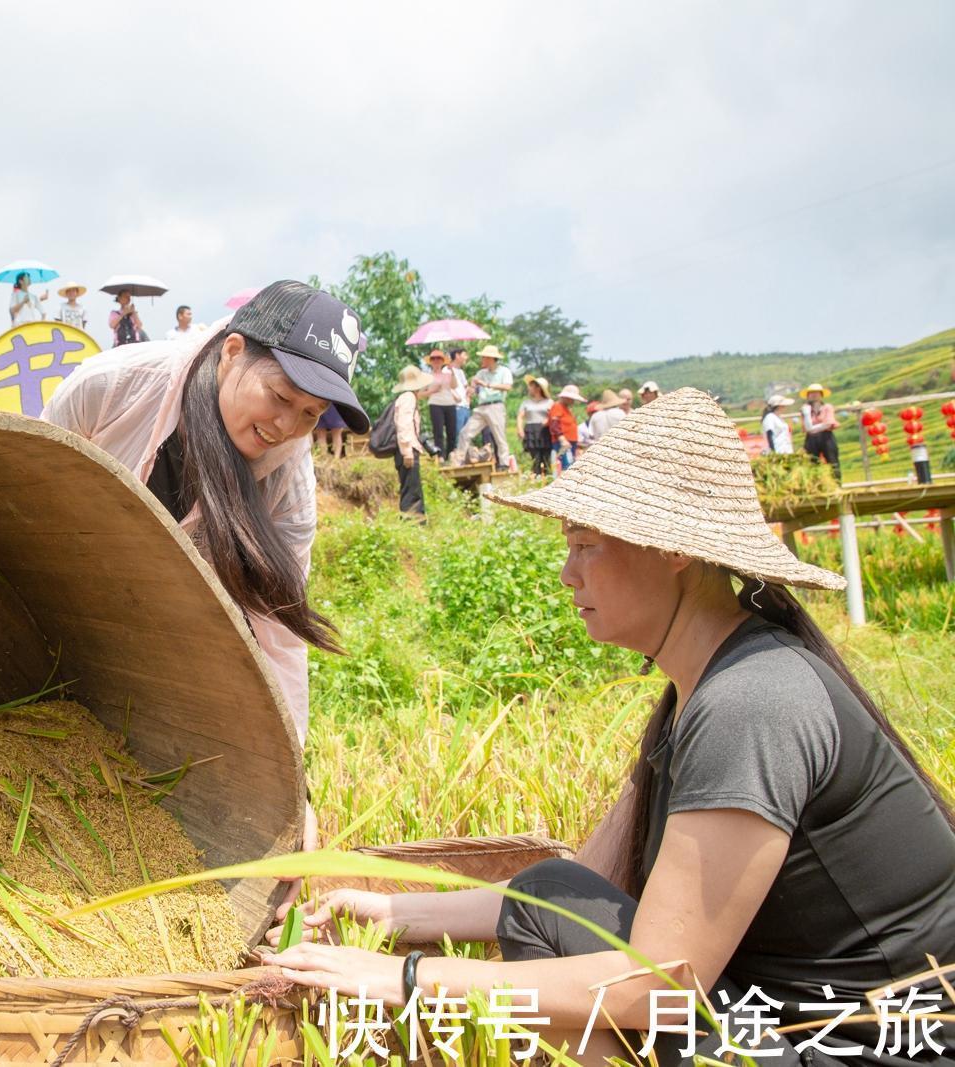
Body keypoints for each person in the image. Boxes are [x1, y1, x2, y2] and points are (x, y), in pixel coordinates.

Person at [264, 389, 955, 1067]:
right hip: (779, 1024)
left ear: (674, 549)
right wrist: (395, 915)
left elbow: (657, 985)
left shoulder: (751, 703)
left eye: (586, 544)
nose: (569, 574)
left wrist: (404, 980)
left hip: (870, 1049)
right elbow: (570, 888)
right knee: (552, 892)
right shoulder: (701, 690)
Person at [43, 279, 369, 744]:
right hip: (55, 595)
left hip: (156, 639)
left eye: (311, 414)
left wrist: (288, 762)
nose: (286, 427)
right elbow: (24, 487)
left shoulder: (288, 483)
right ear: (233, 351)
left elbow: (277, 627)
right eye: (279, 397)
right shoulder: (113, 386)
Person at [449, 344, 513, 468]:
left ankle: (504, 463)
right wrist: (471, 388)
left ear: (491, 358)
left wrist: (488, 385)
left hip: (496, 405)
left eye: (484, 358)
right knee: (465, 433)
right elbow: (474, 384)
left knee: (499, 436)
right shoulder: (481, 372)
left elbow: (507, 386)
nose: (482, 360)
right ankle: (459, 461)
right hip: (481, 407)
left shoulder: (504, 371)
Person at [391, 364, 427, 522]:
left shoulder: (405, 398)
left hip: (407, 449)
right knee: (411, 490)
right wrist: (407, 452)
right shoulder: (408, 398)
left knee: (412, 488)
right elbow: (404, 425)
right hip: (407, 449)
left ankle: (416, 522)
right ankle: (412, 524)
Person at [424, 348, 461, 460]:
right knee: (438, 432)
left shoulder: (448, 374)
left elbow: (455, 386)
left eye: (439, 358)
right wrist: (432, 391)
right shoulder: (426, 376)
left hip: (449, 403)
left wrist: (452, 371)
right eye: (433, 359)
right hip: (435, 403)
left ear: (442, 361)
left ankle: (451, 454)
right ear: (430, 361)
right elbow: (420, 394)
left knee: (452, 432)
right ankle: (440, 456)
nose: (436, 361)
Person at [800, 383, 841, 479]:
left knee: (832, 460)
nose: (814, 395)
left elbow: (829, 423)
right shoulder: (805, 409)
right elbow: (806, 427)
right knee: (812, 462)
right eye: (811, 393)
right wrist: (818, 427)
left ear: (821, 395)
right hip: (811, 439)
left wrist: (813, 428)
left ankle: (837, 483)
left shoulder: (827, 407)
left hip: (826, 437)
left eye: (816, 393)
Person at [518, 375, 554, 476]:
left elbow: (554, 416)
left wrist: (547, 420)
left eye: (531, 386)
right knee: (535, 457)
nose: (529, 388)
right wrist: (520, 429)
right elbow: (520, 416)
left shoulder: (549, 402)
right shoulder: (526, 402)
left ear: (538, 388)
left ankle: (547, 478)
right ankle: (536, 476)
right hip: (531, 429)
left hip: (544, 430)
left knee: (546, 457)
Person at [549, 384, 583, 470]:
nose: (573, 401)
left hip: (570, 442)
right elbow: (554, 424)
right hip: (563, 442)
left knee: (570, 464)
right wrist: (562, 439)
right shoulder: (557, 406)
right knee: (565, 466)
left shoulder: (566, 409)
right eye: (571, 398)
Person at [450, 347, 471, 437]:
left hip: (465, 407)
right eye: (465, 355)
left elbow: (466, 387)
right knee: (457, 435)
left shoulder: (461, 372)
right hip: (456, 407)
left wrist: (468, 399)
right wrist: (456, 397)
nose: (467, 357)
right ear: (457, 356)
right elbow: (445, 388)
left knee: (466, 436)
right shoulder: (447, 370)